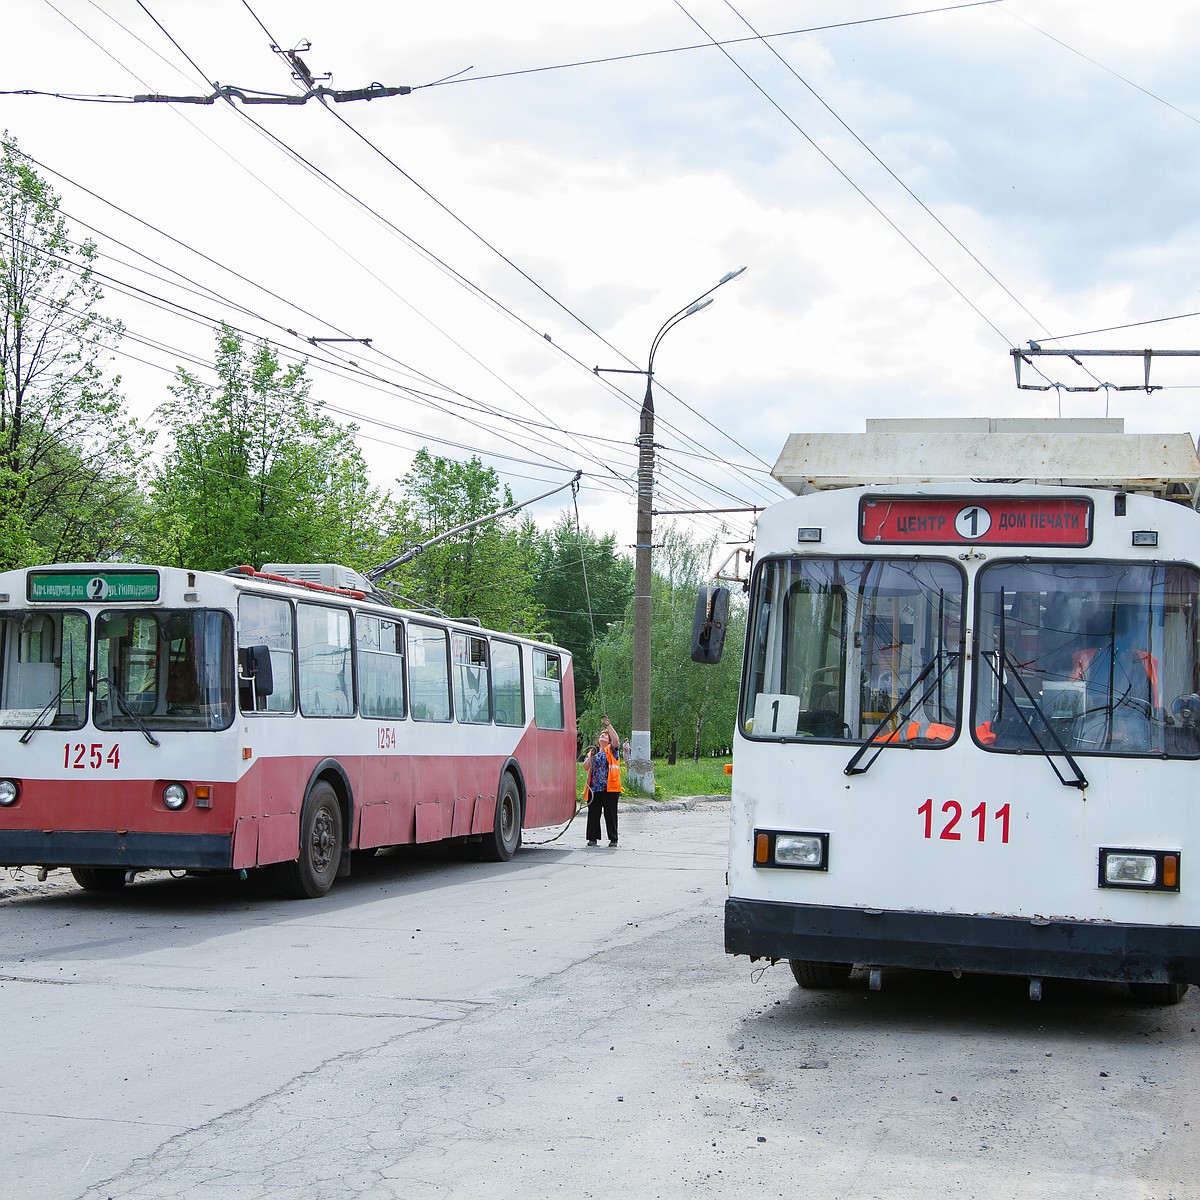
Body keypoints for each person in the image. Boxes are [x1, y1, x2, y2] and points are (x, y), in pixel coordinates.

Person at [584, 716, 622, 847]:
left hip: (609, 788)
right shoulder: (593, 751)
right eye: (601, 735)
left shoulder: (612, 750)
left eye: (605, 736)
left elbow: (616, 740)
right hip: (594, 789)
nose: (602, 737)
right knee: (593, 814)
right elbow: (585, 766)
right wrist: (591, 756)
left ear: (609, 741)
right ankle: (592, 838)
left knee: (610, 814)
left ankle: (613, 839)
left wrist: (608, 726)